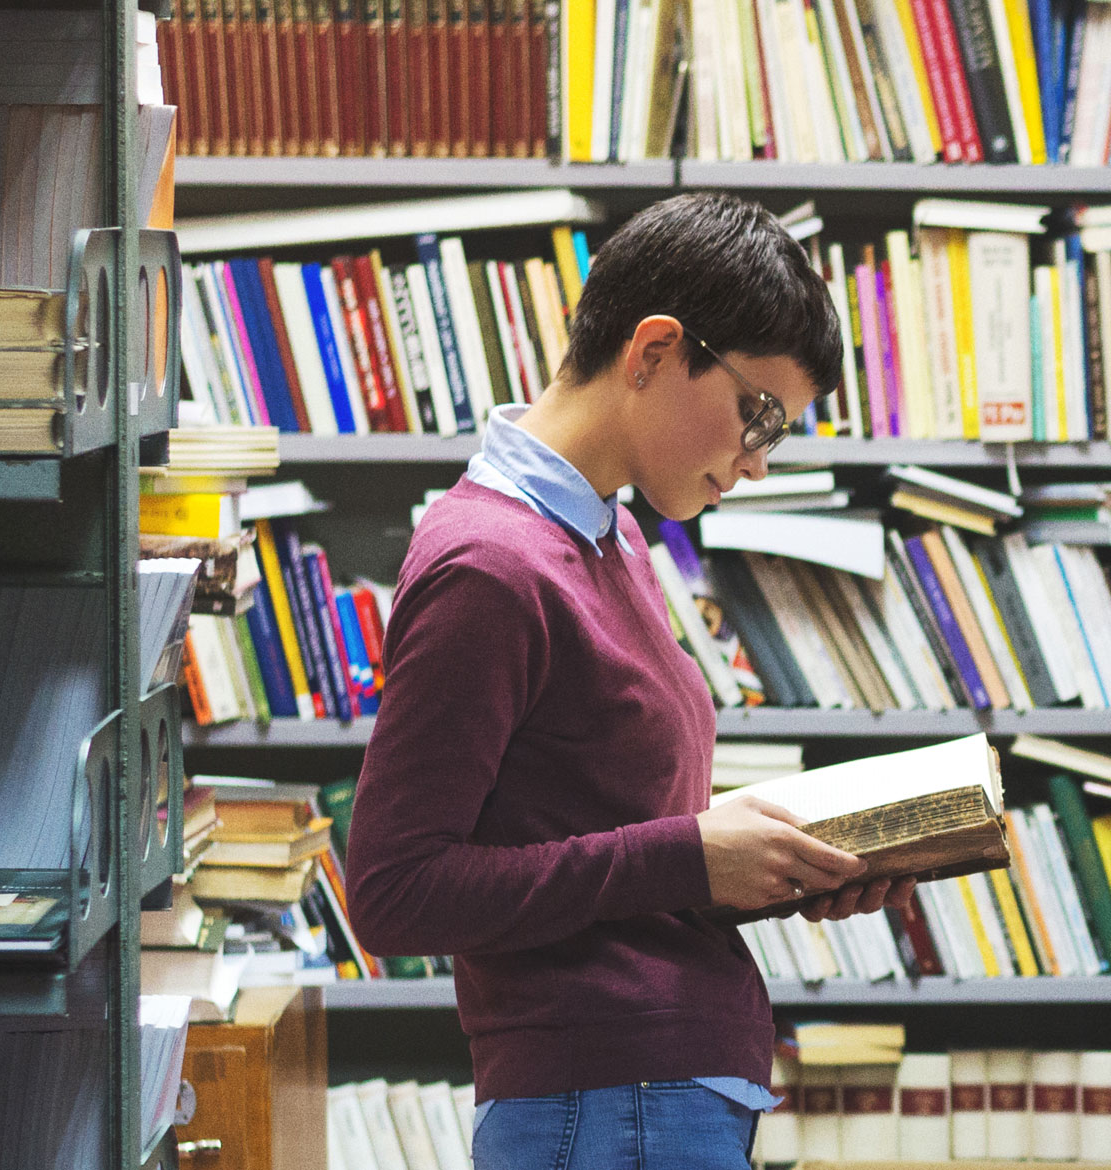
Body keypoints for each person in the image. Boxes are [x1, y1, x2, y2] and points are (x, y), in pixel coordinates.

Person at [344, 192, 918, 1169]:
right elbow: (396, 891)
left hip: (648, 1095)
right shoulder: (491, 564)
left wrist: (773, 870)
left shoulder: (608, 535)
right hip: (605, 1101)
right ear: (652, 351)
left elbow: (601, 841)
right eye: (757, 415)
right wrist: (692, 859)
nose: (759, 463)